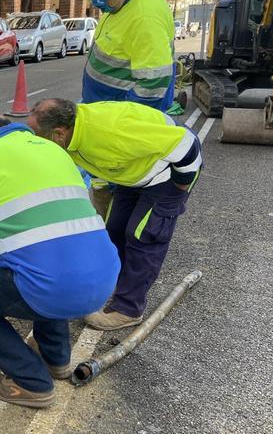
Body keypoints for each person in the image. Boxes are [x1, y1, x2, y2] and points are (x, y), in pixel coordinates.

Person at [0, 115, 120, 408]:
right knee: (44, 264)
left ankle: (31, 382)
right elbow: (52, 218)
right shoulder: (52, 150)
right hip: (103, 278)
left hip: (56, 285)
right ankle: (56, 359)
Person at [28, 99, 202, 331]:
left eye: (36, 136)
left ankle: (129, 308)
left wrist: (178, 189)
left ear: (59, 134)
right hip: (132, 173)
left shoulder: (111, 131)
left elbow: (186, 145)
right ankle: (109, 289)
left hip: (169, 171)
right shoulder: (73, 136)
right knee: (115, 230)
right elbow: (92, 164)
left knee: (143, 235)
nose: (33, 142)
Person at [83, 0, 176, 111]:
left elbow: (153, 86)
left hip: (115, 120)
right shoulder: (122, 0)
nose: (94, 1)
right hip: (101, 109)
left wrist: (119, 119)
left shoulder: (145, 18)